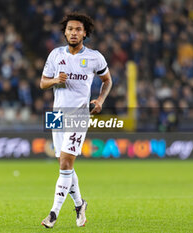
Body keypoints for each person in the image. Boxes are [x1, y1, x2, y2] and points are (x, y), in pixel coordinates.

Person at [40, 12, 112, 228]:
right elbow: (42, 83)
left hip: (79, 115)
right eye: (70, 29)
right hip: (57, 115)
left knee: (65, 163)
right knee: (66, 166)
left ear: (85, 33)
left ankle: (53, 214)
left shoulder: (95, 57)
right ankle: (80, 205)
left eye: (78, 29)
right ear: (65, 32)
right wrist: (55, 80)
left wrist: (100, 99)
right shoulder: (55, 55)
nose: (73, 32)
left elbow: (107, 81)